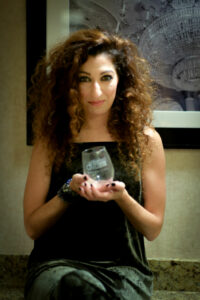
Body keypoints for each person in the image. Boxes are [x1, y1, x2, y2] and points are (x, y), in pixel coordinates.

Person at [23, 28, 166, 300]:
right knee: (76, 290)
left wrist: (122, 197)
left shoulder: (146, 141)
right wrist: (69, 191)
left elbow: (152, 229)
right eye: (84, 79)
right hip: (58, 267)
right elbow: (32, 227)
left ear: (121, 81)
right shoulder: (51, 139)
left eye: (106, 78)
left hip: (125, 271)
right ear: (70, 83)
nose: (95, 91)